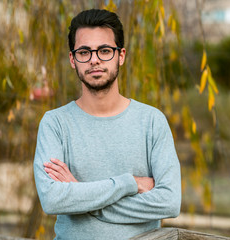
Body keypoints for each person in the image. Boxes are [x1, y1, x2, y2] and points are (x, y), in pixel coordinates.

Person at [33, 9, 181, 240]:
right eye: (84, 52)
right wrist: (129, 183)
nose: (94, 59)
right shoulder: (55, 123)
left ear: (120, 55)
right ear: (73, 60)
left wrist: (81, 197)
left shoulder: (152, 121)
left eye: (104, 50)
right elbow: (53, 200)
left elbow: (169, 202)